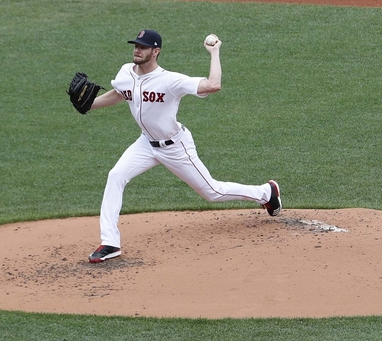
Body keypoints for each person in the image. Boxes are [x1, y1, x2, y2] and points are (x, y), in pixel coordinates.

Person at [85, 29, 282, 263]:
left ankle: (266, 192)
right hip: (146, 144)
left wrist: (214, 52)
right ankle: (110, 242)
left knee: (213, 192)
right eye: (136, 46)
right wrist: (90, 105)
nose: (137, 50)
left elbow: (213, 85)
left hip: (175, 147)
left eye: (143, 47)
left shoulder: (169, 81)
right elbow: (120, 94)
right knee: (115, 176)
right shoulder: (126, 72)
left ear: (155, 51)